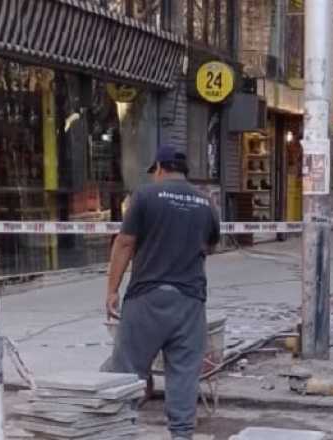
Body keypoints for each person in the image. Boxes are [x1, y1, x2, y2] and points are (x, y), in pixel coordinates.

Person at [103, 145, 220, 440]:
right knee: (183, 374)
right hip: (189, 301)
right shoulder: (207, 204)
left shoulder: (144, 196)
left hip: (147, 298)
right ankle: (181, 436)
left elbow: (125, 243)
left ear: (159, 168)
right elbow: (209, 246)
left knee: (127, 372)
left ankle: (120, 430)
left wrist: (112, 290)